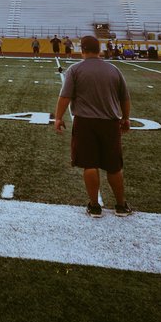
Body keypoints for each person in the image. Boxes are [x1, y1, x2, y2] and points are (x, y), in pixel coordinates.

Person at [53, 35, 134, 218]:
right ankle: (121, 205)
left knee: (89, 165)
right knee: (114, 166)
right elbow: (124, 98)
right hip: (110, 123)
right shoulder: (114, 70)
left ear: (82, 49)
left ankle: (94, 206)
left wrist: (58, 117)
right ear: (99, 49)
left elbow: (65, 96)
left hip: (85, 122)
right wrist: (126, 118)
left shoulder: (75, 70)